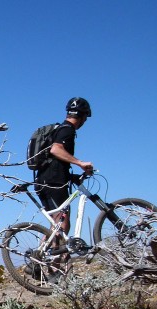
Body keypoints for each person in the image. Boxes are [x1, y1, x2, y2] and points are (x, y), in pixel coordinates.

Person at [34, 97, 94, 235]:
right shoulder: (67, 129)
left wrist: (71, 176)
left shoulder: (61, 129)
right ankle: (56, 255)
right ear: (82, 115)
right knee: (62, 222)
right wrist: (80, 163)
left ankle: (49, 254)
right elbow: (56, 149)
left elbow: (55, 160)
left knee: (57, 223)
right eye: (85, 118)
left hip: (47, 180)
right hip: (53, 182)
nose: (85, 122)